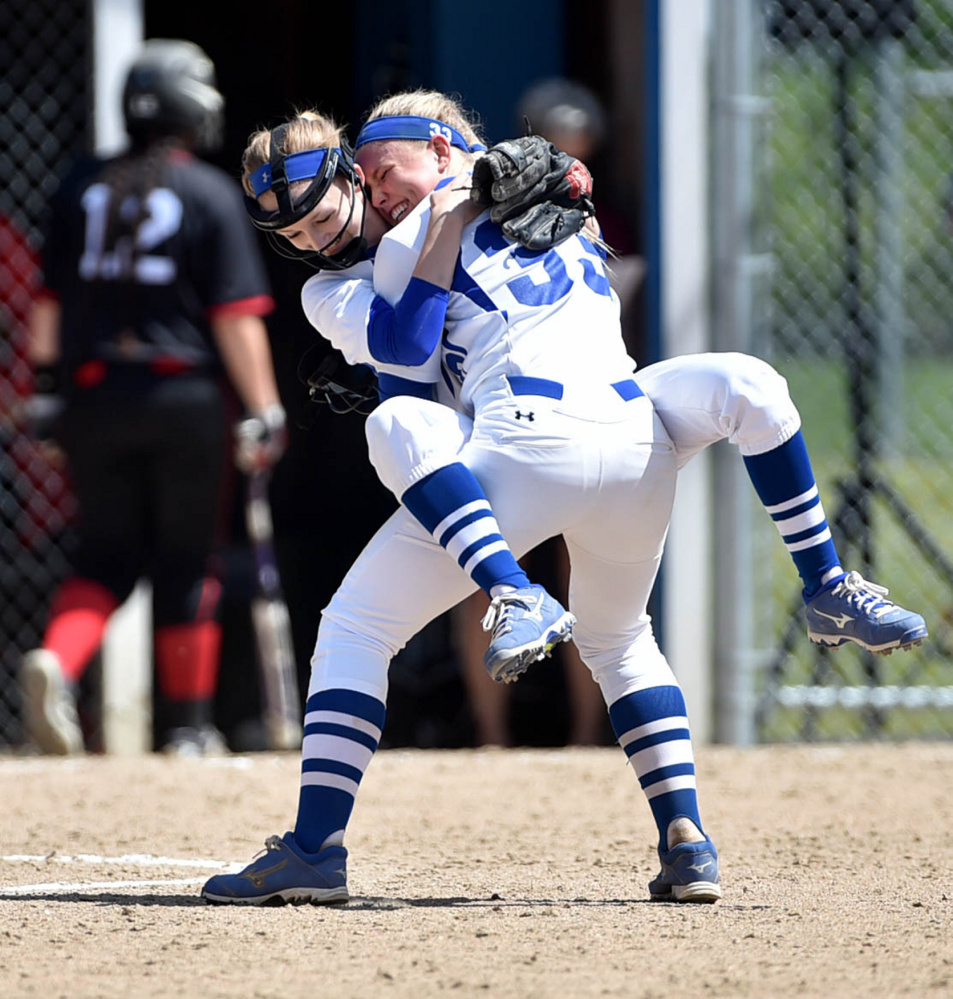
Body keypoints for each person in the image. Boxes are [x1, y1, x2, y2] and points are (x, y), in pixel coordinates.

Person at [201, 94, 720, 906]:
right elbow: (416, 347)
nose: (313, 238)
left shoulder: (435, 222)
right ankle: (686, 836)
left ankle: (315, 845)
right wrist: (479, 196)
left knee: (356, 614)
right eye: (292, 234)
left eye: (320, 210)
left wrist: (473, 200)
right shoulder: (348, 278)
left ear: (356, 177)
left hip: (517, 448)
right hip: (617, 439)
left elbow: (410, 360)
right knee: (621, 637)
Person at [18, 39, 287, 758]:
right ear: (190, 108)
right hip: (185, 398)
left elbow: (46, 305)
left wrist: (45, 395)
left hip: (92, 397)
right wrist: (265, 408)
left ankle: (59, 660)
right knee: (187, 557)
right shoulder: (206, 191)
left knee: (105, 553)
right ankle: (187, 727)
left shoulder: (80, 184)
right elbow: (236, 316)